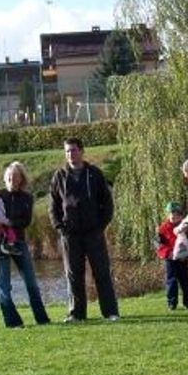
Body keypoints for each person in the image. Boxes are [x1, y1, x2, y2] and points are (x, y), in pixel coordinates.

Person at [49, 137, 120, 323]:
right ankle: (76, 314)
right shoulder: (59, 176)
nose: (70, 154)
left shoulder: (94, 174)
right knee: (73, 274)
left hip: (93, 232)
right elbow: (53, 205)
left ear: (82, 151)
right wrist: (60, 227)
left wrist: (100, 226)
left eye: (73, 150)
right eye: (67, 151)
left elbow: (107, 203)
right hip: (70, 234)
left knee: (102, 272)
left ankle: (110, 312)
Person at [0, 161, 51, 328]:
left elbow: (25, 221)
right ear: (5, 178)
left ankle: (42, 319)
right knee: (4, 284)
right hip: (0, 243)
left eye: (16, 177)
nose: (12, 179)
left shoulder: (27, 198)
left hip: (18, 242)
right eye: (9, 176)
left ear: (21, 179)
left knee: (31, 282)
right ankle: (12, 322)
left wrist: (7, 223)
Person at [155, 201, 188, 311]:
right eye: (172, 213)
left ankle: (187, 301)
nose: (174, 216)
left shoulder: (185, 227)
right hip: (170, 259)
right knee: (172, 281)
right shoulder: (162, 228)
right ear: (168, 214)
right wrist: (168, 253)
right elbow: (158, 244)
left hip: (183, 258)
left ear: (181, 215)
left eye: (177, 214)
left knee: (185, 281)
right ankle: (172, 303)